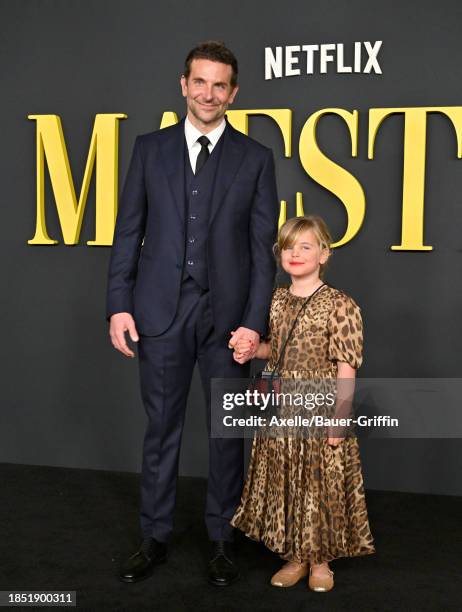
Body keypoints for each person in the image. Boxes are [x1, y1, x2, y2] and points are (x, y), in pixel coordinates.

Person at [105, 41, 278, 586]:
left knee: (228, 432)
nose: (208, 93)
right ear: (183, 85)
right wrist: (119, 305)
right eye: (199, 82)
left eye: (219, 85)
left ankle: (223, 539)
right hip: (159, 312)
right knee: (161, 429)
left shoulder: (255, 158)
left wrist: (254, 321)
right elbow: (127, 233)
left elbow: (261, 250)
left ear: (234, 93)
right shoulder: (148, 149)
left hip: (229, 321)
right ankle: (154, 535)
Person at [231, 215, 375, 592]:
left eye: (305, 246)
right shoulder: (275, 300)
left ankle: (321, 561)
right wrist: (251, 351)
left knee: (318, 488)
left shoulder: (340, 305)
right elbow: (273, 352)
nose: (295, 254)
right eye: (288, 247)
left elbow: (347, 368)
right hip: (281, 411)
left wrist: (339, 420)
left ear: (324, 254)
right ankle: (295, 556)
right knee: (286, 484)